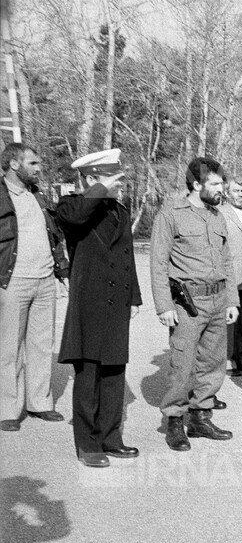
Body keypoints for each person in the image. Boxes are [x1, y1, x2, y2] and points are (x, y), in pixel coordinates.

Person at [56, 149, 141, 467]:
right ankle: (88, 444)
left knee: (114, 373)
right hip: (89, 306)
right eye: (112, 177)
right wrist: (99, 188)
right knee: (88, 374)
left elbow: (127, 256)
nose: (120, 184)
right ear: (91, 179)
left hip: (117, 303)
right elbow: (75, 215)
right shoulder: (72, 206)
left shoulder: (119, 211)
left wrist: (133, 297)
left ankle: (110, 437)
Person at [150, 157, 238, 451]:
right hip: (187, 302)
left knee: (212, 364)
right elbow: (158, 262)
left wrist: (232, 300)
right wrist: (164, 306)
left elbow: (227, 262)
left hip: (217, 299)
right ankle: (174, 421)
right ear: (196, 184)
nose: (220, 189)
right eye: (214, 184)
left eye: (221, 183)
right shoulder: (171, 215)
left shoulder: (217, 216)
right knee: (182, 364)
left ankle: (201, 417)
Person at [0, 143, 69, 432]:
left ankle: (40, 402)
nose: (39, 168)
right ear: (14, 165)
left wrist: (61, 270)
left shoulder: (38, 197)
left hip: (44, 280)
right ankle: (7, 408)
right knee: (9, 348)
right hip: (12, 281)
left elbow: (54, 235)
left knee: (42, 344)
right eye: (33, 163)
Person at [220, 177, 242, 373]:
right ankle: (227, 359)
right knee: (229, 318)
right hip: (230, 273)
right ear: (227, 193)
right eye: (236, 191)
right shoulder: (220, 214)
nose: (241, 195)